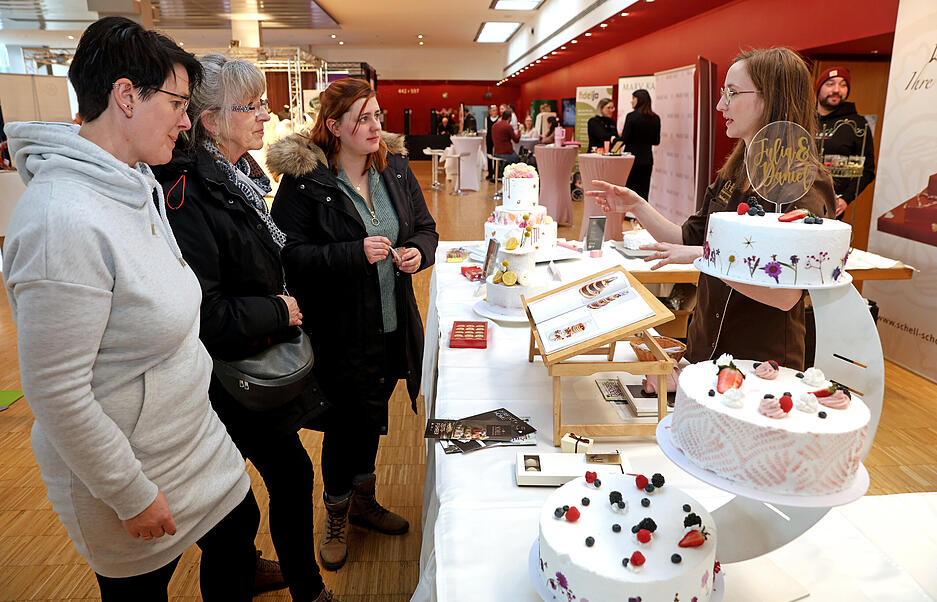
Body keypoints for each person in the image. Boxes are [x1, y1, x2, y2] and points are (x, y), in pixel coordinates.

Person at [2, 16, 260, 600]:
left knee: (239, 527)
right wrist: (129, 493)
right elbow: (57, 391)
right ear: (125, 96)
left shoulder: (136, 181)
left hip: (192, 439)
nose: (187, 120)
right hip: (128, 471)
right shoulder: (60, 221)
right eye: (176, 102)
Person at [152, 55, 337, 602]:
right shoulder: (188, 192)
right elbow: (201, 310)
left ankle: (280, 575)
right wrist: (279, 311)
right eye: (251, 106)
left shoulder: (243, 175)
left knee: (267, 486)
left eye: (263, 103)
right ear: (209, 120)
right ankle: (301, 586)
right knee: (243, 501)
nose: (264, 116)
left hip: (246, 357)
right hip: (224, 372)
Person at [266, 78, 438, 571]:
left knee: (371, 417)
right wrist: (351, 253)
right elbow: (289, 255)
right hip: (339, 330)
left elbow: (426, 229)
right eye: (363, 118)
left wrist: (415, 253)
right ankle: (337, 513)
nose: (375, 127)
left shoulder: (396, 169)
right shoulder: (307, 183)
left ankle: (363, 501)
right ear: (334, 127)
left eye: (377, 116)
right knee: (345, 425)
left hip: (390, 323)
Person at [587, 48, 835, 370]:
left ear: (771, 97)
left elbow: (785, 294)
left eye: (732, 93)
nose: (721, 105)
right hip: (706, 347)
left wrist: (703, 257)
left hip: (760, 365)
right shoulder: (733, 172)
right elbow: (688, 238)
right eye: (722, 93)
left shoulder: (805, 182)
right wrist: (637, 204)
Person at [815, 66, 876, 218]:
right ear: (818, 88)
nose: (837, 90)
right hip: (796, 200)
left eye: (843, 85)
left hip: (830, 207)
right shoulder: (803, 118)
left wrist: (845, 199)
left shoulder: (857, 125)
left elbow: (866, 170)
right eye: (830, 84)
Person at [619, 89, 661, 202]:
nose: (632, 101)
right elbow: (656, 141)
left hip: (631, 158)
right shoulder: (655, 118)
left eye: (633, 98)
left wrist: (616, 139)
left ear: (638, 100)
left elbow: (625, 139)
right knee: (643, 192)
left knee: (629, 190)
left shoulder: (631, 116)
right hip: (647, 159)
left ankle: (628, 216)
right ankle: (640, 218)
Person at [491, 107, 521, 174]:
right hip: (506, 153)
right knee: (519, 160)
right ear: (510, 118)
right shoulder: (508, 126)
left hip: (496, 153)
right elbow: (516, 140)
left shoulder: (494, 126)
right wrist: (519, 131)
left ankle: (501, 173)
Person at [484, 104, 499, 181]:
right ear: (490, 112)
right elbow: (487, 128)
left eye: (496, 110)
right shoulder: (487, 119)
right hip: (489, 138)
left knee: (496, 155)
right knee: (489, 155)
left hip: (497, 138)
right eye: (493, 110)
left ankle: (497, 172)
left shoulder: (499, 119)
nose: (495, 112)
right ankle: (490, 173)